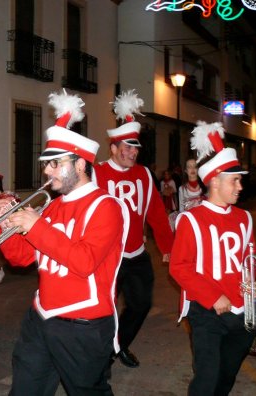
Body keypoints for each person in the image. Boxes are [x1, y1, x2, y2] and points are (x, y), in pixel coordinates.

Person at [0, 90, 128, 395]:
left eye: (55, 164)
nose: (46, 171)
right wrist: (6, 224)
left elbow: (84, 262)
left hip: (83, 325)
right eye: (46, 164)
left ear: (80, 165)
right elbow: (20, 259)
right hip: (40, 318)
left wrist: (36, 225)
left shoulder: (106, 206)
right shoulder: (53, 206)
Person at [169, 121, 256, 396]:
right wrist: (212, 296)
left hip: (242, 312)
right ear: (215, 181)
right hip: (207, 313)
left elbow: (249, 259)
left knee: (227, 376)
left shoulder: (245, 217)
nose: (241, 186)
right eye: (235, 180)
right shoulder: (191, 220)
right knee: (206, 379)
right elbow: (179, 267)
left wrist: (252, 285)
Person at [94, 90, 174, 368]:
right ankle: (99, 356)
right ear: (113, 148)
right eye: (126, 148)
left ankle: (119, 346)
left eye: (135, 148)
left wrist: (168, 247)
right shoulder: (96, 173)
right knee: (103, 310)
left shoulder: (143, 174)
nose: (132, 152)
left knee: (140, 305)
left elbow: (156, 212)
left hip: (136, 254)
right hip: (106, 256)